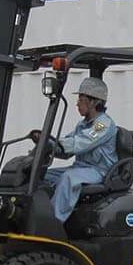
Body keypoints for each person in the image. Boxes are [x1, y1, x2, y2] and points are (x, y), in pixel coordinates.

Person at [32, 77, 118, 222]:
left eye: (81, 99)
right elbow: (67, 150)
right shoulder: (82, 124)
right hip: (81, 168)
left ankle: (52, 223)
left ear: (94, 102)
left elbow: (80, 143)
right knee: (41, 174)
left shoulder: (103, 124)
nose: (77, 104)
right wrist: (49, 144)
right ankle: (35, 214)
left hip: (99, 171)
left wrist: (56, 143)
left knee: (68, 178)